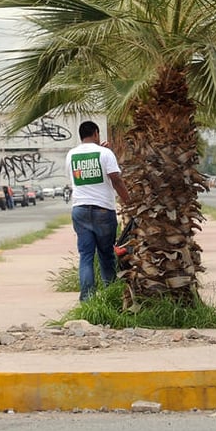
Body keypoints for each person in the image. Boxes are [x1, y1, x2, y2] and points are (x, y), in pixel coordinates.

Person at [65, 121, 130, 301]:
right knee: (106, 255)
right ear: (95, 133)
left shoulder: (71, 155)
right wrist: (129, 202)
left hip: (79, 210)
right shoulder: (105, 153)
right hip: (102, 210)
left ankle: (87, 300)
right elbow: (116, 180)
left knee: (86, 255)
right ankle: (110, 297)